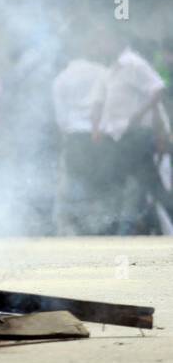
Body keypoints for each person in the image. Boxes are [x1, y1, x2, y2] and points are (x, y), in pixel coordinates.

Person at [90, 30, 171, 234]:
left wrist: (138, 114)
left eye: (103, 42)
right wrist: (97, 128)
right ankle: (121, 228)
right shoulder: (110, 70)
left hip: (136, 136)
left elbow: (157, 89)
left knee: (146, 184)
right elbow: (99, 102)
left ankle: (122, 229)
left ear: (117, 41)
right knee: (138, 184)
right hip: (118, 138)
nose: (100, 47)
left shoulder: (133, 64)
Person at [52, 43, 107, 234]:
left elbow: (61, 120)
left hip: (75, 137)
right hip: (99, 135)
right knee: (100, 184)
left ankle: (79, 228)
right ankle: (101, 227)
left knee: (76, 183)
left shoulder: (61, 79)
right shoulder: (102, 72)